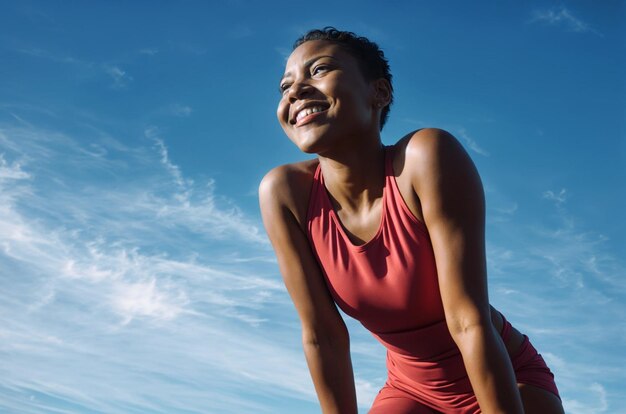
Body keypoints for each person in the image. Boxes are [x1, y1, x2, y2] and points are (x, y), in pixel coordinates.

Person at [259, 27, 564, 414]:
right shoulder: (285, 193)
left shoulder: (424, 158)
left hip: (505, 377)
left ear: (379, 93)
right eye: (285, 85)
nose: (295, 90)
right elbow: (323, 336)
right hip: (410, 391)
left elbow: (468, 320)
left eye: (319, 70)